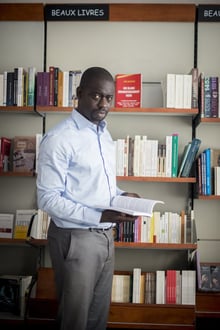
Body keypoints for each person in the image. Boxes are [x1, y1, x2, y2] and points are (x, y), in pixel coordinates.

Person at [36, 66, 139, 330]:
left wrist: (121, 196)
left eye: (108, 97)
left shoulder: (103, 133)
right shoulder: (59, 139)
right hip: (75, 238)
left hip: (105, 236)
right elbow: (48, 199)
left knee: (96, 317)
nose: (104, 103)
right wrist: (98, 215)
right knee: (75, 319)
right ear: (79, 93)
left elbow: (98, 186)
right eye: (96, 96)